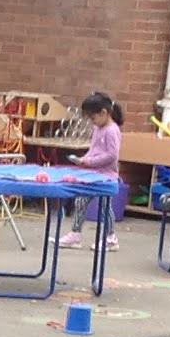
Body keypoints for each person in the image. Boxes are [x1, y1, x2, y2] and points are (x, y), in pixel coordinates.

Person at [60, 90, 125, 249]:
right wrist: (83, 160)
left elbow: (112, 155)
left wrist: (89, 162)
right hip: (93, 173)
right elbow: (94, 149)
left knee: (104, 206)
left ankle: (111, 237)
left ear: (104, 113)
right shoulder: (98, 128)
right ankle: (75, 234)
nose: (92, 122)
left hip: (106, 176)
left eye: (93, 118)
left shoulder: (112, 130)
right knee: (80, 201)